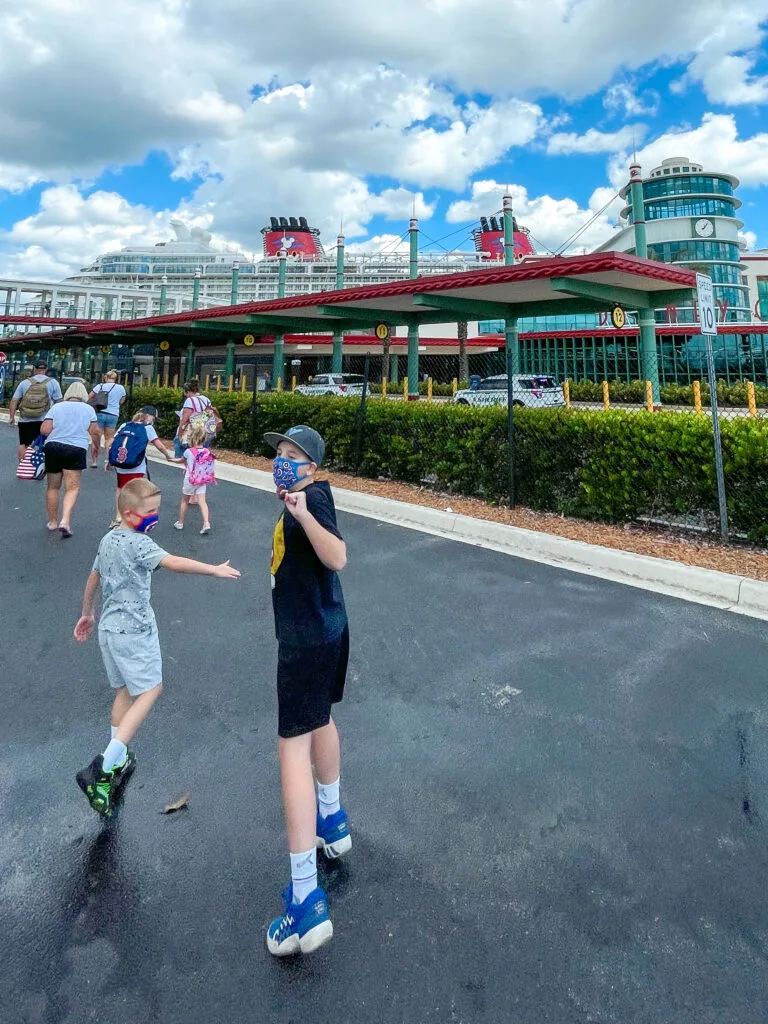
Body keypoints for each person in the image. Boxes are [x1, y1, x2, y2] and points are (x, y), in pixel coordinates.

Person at [72, 478, 241, 817]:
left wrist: (87, 613)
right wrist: (213, 570)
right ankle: (102, 769)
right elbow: (174, 562)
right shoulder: (138, 544)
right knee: (151, 690)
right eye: (149, 512)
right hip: (135, 632)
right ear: (128, 513)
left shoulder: (108, 539)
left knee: (124, 692)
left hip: (109, 630)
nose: (154, 517)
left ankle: (117, 757)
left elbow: (94, 577)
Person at [262, 424, 351, 957]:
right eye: (279, 453)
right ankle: (333, 822)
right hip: (326, 629)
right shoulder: (305, 494)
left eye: (293, 455)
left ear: (312, 465)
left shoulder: (313, 496)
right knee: (321, 720)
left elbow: (337, 556)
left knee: (290, 750)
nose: (282, 461)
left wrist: (300, 513)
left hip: (305, 641)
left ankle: (305, 899)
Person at [40, 382, 100, 537]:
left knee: (53, 487)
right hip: (76, 448)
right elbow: (95, 432)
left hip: (53, 447)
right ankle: (65, 521)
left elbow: (44, 430)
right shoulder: (89, 410)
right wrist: (96, 447)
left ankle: (52, 522)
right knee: (72, 487)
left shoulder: (57, 407)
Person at [107, 406, 172, 528]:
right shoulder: (147, 428)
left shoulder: (125, 425)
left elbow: (112, 442)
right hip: (136, 465)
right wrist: (168, 456)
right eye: (154, 418)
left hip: (120, 464)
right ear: (148, 416)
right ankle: (133, 517)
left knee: (121, 489)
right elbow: (160, 446)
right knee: (136, 491)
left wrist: (109, 460)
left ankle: (118, 517)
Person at [8, 361, 62, 462]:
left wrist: (12, 417)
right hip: (45, 419)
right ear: (46, 370)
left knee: (23, 443)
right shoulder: (53, 382)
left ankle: (22, 464)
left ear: (35, 369)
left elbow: (14, 400)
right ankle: (43, 464)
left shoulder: (25, 383)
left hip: (25, 419)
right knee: (47, 442)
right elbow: (59, 402)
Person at [168, 421, 215, 535]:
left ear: (192, 438)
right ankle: (206, 522)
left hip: (190, 479)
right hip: (202, 479)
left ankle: (180, 522)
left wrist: (170, 459)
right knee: (202, 502)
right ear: (204, 439)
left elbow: (180, 461)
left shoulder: (189, 451)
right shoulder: (207, 451)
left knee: (185, 500)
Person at [88, 369, 127, 469]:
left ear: (106, 377)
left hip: (100, 413)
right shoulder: (120, 388)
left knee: (95, 438)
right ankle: (108, 459)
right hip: (113, 415)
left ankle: (94, 461)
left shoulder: (100, 386)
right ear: (116, 378)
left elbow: (90, 397)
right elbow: (122, 401)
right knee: (109, 438)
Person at [174, 379, 219, 458]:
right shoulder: (206, 399)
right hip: (206, 433)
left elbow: (184, 420)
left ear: (187, 392)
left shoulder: (189, 400)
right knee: (201, 457)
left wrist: (179, 433)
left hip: (193, 434)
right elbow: (208, 415)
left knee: (188, 457)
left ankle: (189, 469)